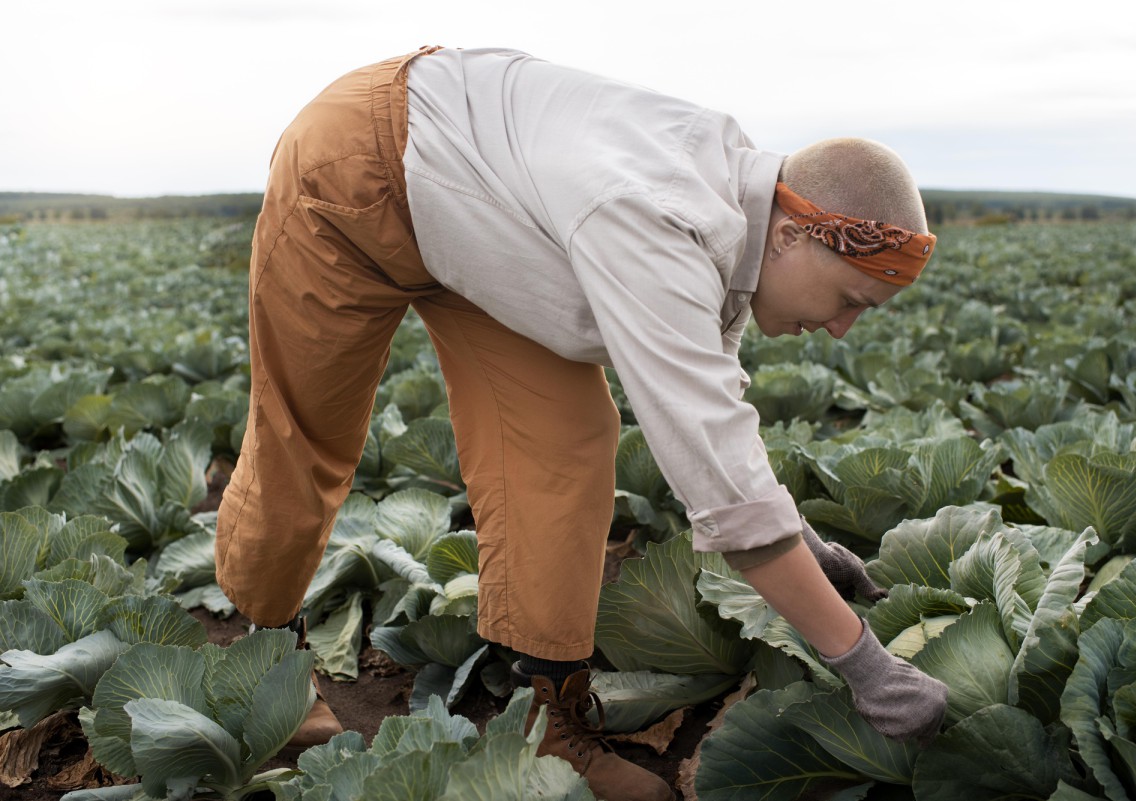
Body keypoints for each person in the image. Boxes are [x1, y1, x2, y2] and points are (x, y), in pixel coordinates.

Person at [215, 45, 948, 801]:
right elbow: (714, 467)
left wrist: (808, 545)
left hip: (480, 218)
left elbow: (715, 414)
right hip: (354, 168)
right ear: (796, 234)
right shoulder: (658, 215)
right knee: (307, 435)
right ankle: (260, 674)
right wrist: (867, 667)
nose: (843, 329)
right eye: (851, 298)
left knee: (565, 439)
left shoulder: (740, 216)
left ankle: (546, 714)